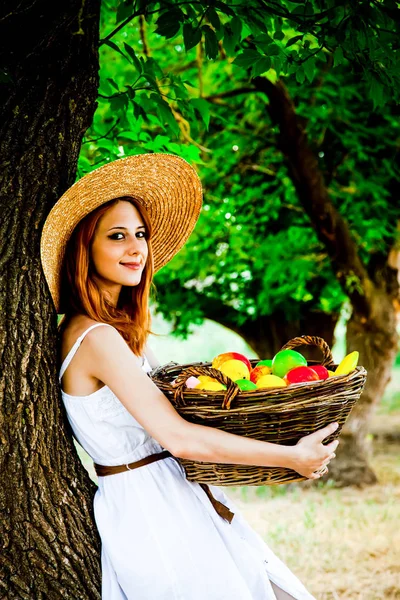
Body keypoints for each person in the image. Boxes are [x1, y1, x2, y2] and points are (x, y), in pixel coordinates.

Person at [40, 153, 339, 600]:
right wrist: (289, 456)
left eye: (140, 234)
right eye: (117, 236)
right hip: (154, 514)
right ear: (86, 248)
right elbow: (178, 438)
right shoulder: (95, 336)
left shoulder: (115, 331)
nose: (136, 248)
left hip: (176, 496)